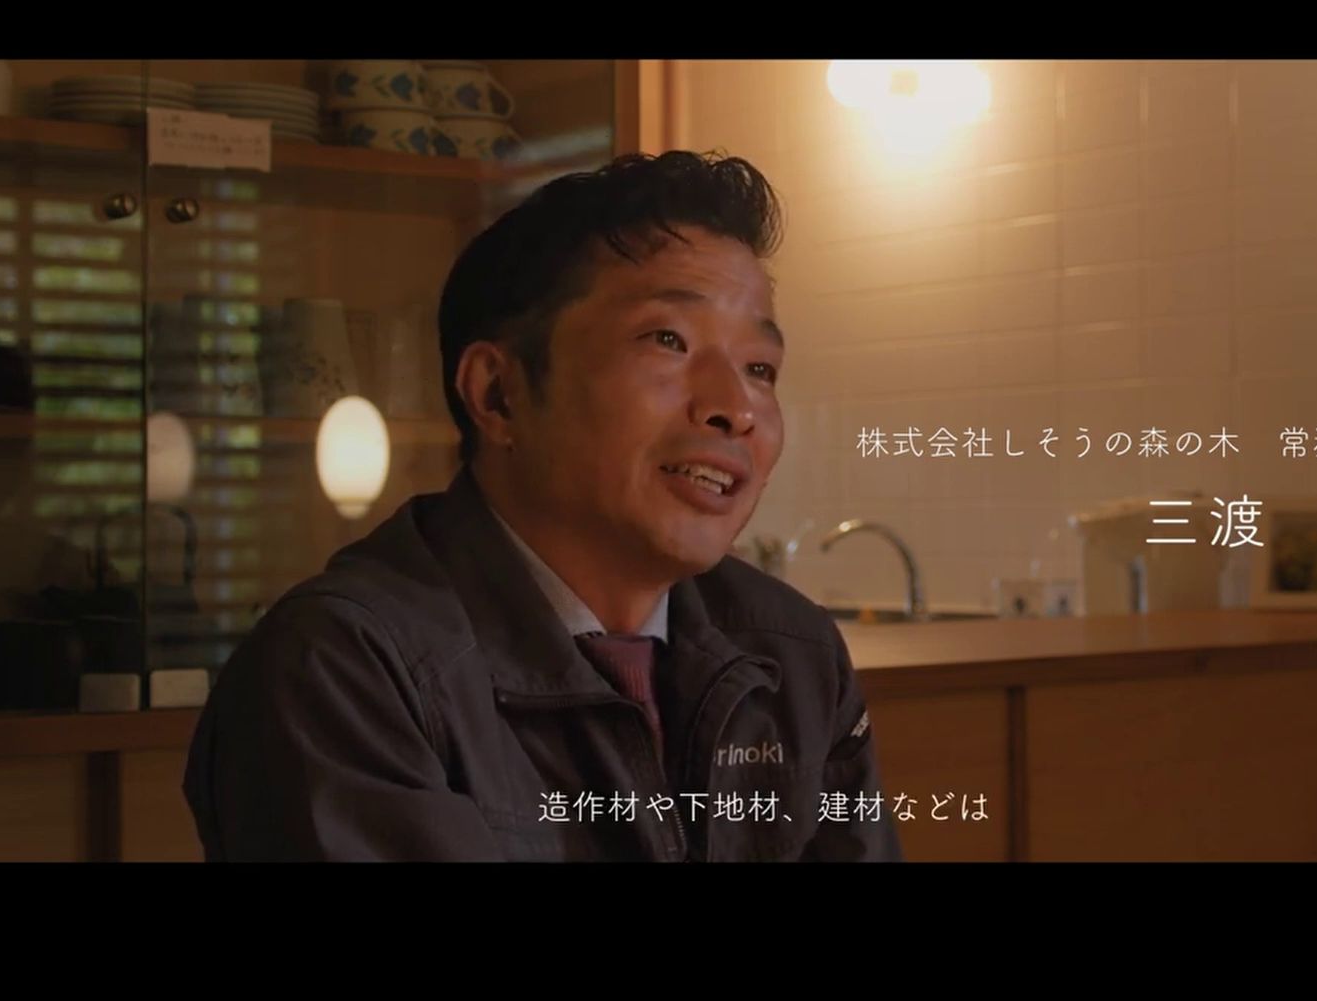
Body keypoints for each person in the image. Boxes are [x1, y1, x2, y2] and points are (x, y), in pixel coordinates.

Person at [183, 150, 903, 862]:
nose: (735, 409)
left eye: (760, 368)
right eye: (668, 340)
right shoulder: (345, 670)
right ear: (499, 395)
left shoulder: (792, 654)